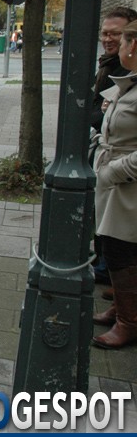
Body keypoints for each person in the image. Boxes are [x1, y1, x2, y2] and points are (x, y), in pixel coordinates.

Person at [91, 18, 137, 350]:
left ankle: (129, 322)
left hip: (128, 187)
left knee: (122, 250)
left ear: (132, 46)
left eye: (121, 40)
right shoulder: (130, 83)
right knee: (115, 247)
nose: (115, 44)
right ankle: (122, 308)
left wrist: (113, 171)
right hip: (117, 184)